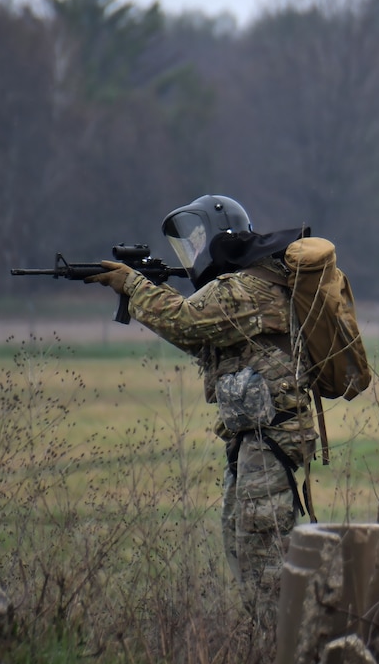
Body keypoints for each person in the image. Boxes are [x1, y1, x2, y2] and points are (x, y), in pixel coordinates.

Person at [85, 194, 319, 627]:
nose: (192, 253)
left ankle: (285, 649)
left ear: (219, 236)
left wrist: (134, 286)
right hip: (255, 440)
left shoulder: (248, 286)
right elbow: (197, 334)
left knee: (263, 551)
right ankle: (271, 643)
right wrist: (147, 291)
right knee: (241, 540)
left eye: (197, 240)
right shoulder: (241, 288)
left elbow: (188, 321)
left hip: (273, 440)